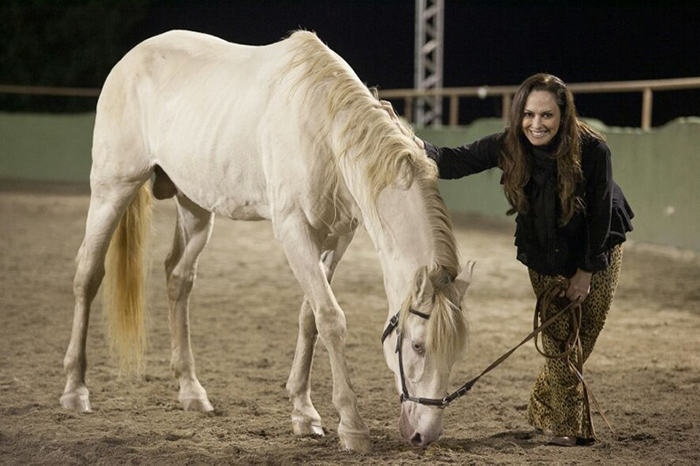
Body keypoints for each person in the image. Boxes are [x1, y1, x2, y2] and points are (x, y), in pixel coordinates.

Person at [389, 73, 634, 446]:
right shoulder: (509, 145)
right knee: (558, 342)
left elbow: (600, 215)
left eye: (547, 116)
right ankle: (568, 428)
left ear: (563, 115)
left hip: (596, 248)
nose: (536, 124)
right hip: (543, 250)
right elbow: (452, 161)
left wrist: (585, 272)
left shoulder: (593, 150)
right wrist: (406, 135)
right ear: (519, 115)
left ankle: (542, 407)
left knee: (582, 338)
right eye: (529, 115)